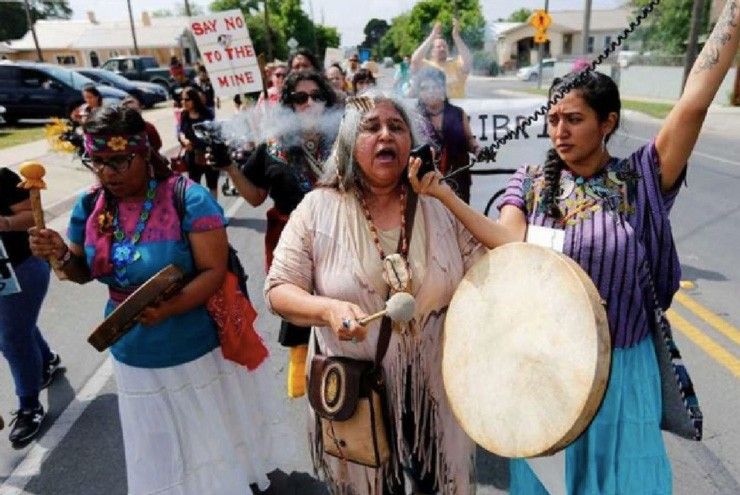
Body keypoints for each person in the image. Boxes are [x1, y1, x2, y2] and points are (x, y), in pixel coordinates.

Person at [410, 5, 740, 493]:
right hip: (544, 379)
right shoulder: (530, 185)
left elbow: (694, 101)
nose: (559, 131)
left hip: (624, 374)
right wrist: (441, 193)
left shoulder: (640, 179)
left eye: (574, 119)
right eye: (553, 119)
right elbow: (509, 242)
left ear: (607, 123)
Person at [28, 105, 274, 494]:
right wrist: (58, 253)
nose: (109, 173)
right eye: (99, 162)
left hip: (190, 346)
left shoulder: (188, 199)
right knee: (157, 442)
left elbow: (212, 271)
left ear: (144, 153)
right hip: (131, 352)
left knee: (202, 440)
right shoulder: (90, 206)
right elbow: (80, 271)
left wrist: (172, 307)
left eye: (120, 161)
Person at [264, 92, 485, 494]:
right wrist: (328, 310)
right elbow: (279, 290)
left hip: (435, 388)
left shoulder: (437, 205)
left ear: (412, 144)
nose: (386, 135)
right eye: (372, 127)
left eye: (397, 127)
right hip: (358, 389)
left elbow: (488, 270)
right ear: (349, 142)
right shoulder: (317, 208)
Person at [218, 70, 339, 398]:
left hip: (338, 237)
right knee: (298, 308)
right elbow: (256, 196)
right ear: (288, 105)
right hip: (289, 240)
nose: (310, 103)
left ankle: (344, 378)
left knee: (338, 302)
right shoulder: (273, 146)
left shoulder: (346, 140)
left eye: (317, 96)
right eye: (300, 98)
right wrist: (229, 168)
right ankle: (305, 380)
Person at [0, 168, 61, 445]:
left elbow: (34, 217)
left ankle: (29, 406)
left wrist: (3, 223)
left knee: (12, 337)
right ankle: (46, 361)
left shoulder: (2, 177)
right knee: (18, 325)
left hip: (22, 267)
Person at [414, 68, 478, 203]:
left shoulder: (458, 113)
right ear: (419, 93)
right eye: (425, 88)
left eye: (435, 86)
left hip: (458, 181)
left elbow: (469, 140)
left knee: (460, 221)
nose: (430, 91)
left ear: (443, 89)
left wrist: (478, 150)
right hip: (427, 186)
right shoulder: (414, 118)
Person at [410, 19, 471, 98]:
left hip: (455, 108)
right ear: (432, 52)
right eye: (438, 47)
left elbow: (468, 60)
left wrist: (456, 36)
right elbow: (415, 60)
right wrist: (432, 35)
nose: (442, 49)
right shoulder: (426, 66)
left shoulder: (456, 64)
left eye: (444, 46)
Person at [178, 86, 219, 197]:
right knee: (194, 184)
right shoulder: (184, 115)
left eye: (187, 99)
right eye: (182, 99)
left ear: (194, 100)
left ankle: (214, 210)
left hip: (208, 154)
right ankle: (199, 210)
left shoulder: (207, 114)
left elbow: (214, 131)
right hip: (192, 156)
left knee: (212, 184)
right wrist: (184, 140)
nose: (184, 102)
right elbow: (181, 131)